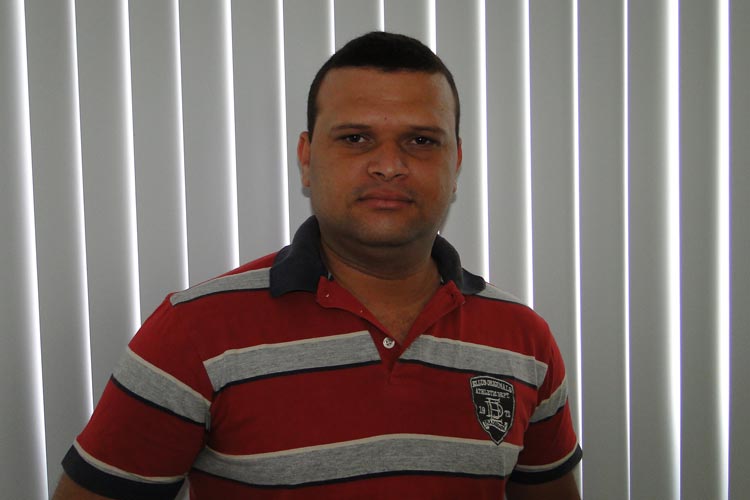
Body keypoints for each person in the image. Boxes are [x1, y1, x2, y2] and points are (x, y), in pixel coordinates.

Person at [53, 31, 582, 499]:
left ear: (456, 162)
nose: (389, 165)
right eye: (355, 138)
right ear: (306, 159)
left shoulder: (523, 341)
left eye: (421, 141)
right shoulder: (193, 334)